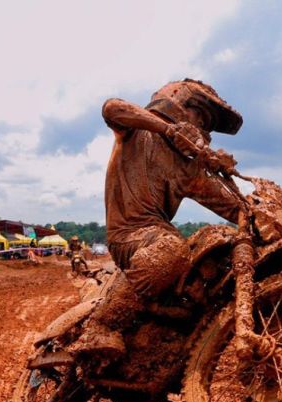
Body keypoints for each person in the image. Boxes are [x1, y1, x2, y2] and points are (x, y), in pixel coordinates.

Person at [69, 79, 243, 363]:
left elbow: (231, 208)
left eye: (207, 123)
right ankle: (101, 326)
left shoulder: (190, 169)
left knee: (215, 253)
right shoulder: (136, 132)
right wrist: (168, 129)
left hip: (158, 236)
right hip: (129, 235)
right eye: (200, 115)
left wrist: (259, 211)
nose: (202, 125)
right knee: (170, 250)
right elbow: (112, 108)